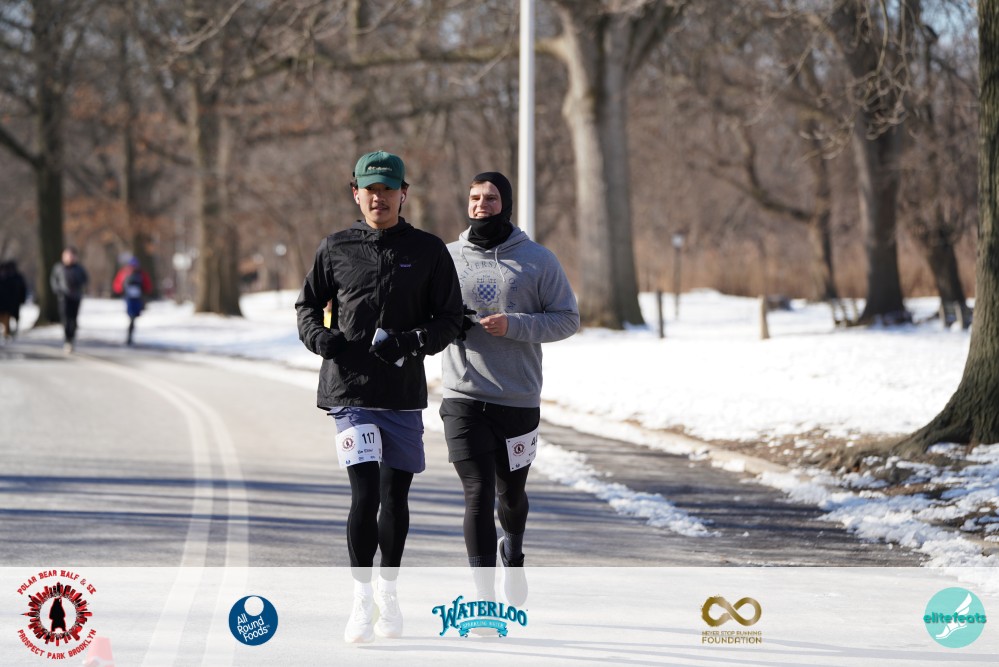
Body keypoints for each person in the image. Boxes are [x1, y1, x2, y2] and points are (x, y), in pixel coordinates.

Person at [295, 150, 462, 643]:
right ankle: (361, 597)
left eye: (388, 189)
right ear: (356, 194)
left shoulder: (429, 251)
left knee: (395, 496)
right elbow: (307, 305)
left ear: (403, 194)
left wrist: (412, 341)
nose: (379, 198)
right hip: (350, 392)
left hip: (402, 394)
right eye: (370, 190)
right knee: (364, 493)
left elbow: (449, 319)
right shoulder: (336, 247)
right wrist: (320, 338)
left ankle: (388, 593)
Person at [440, 171, 579, 607]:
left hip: (517, 398)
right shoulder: (447, 257)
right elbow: (424, 313)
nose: (481, 205)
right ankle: (484, 600)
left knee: (511, 495)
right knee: (477, 494)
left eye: (491, 198)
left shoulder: (537, 259)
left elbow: (567, 319)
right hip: (463, 395)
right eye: (475, 197)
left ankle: (513, 554)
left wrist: (514, 325)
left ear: (507, 204)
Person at [49, 247, 89, 353]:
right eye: (67, 255)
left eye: (71, 256)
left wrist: (80, 287)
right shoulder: (58, 268)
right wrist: (58, 290)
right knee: (66, 319)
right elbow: (54, 280)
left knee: (73, 319)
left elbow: (85, 279)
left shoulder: (79, 268)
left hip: (75, 297)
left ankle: (72, 338)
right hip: (63, 297)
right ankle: (67, 339)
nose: (69, 258)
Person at [112, 257, 153, 345]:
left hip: (137, 299)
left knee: (134, 315)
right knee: (132, 315)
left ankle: (130, 332)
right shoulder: (125, 273)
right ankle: (130, 334)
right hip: (130, 299)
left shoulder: (140, 274)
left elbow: (147, 286)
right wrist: (120, 291)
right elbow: (118, 284)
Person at [0, 260, 28, 341]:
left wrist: (22, 299)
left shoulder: (14, 277)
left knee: (9, 316)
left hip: (11, 302)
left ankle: (8, 331)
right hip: (6, 302)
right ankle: (7, 331)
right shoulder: (10, 278)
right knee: (6, 317)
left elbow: (21, 289)